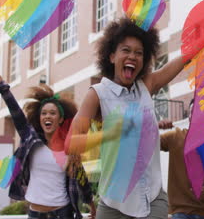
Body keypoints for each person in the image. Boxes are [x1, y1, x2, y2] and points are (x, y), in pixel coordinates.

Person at [68, 16, 186, 219]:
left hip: (152, 200)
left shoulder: (146, 85)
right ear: (112, 56)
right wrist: (108, 134)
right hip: (113, 204)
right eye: (126, 50)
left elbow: (186, 58)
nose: (133, 56)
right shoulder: (97, 94)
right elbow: (72, 143)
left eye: (139, 53)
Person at [0, 48, 95, 219]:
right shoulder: (31, 138)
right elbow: (13, 108)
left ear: (60, 119)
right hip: (35, 214)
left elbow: (81, 177)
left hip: (63, 213)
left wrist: (91, 205)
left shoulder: (69, 147)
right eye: (44, 113)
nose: (47, 116)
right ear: (40, 118)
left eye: (52, 113)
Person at [160, 100, 204, 219]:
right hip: (180, 212)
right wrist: (156, 125)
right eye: (192, 112)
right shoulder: (174, 137)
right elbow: (147, 143)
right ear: (188, 117)